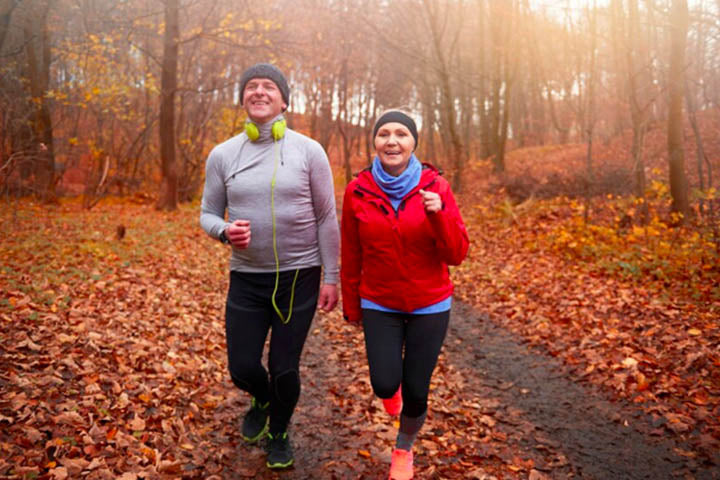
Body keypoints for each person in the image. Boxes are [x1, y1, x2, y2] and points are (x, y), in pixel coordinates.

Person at [200, 63, 339, 470]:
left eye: (269, 87)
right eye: (251, 87)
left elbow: (326, 217)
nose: (259, 92)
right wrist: (226, 231)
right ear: (243, 98)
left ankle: (278, 430)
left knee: (283, 368)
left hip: (300, 276)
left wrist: (332, 276)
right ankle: (259, 399)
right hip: (246, 277)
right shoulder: (223, 154)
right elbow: (207, 213)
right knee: (242, 367)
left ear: (283, 100)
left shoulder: (309, 150)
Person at [340, 110, 469, 480]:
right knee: (384, 382)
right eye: (384, 134)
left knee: (416, 387)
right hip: (379, 301)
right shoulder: (357, 190)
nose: (392, 140)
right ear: (375, 142)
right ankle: (390, 394)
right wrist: (352, 307)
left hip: (429, 304)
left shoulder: (436, 187)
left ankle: (403, 448)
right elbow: (351, 252)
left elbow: (457, 254)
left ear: (413, 142)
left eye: (401, 133)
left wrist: (439, 215)